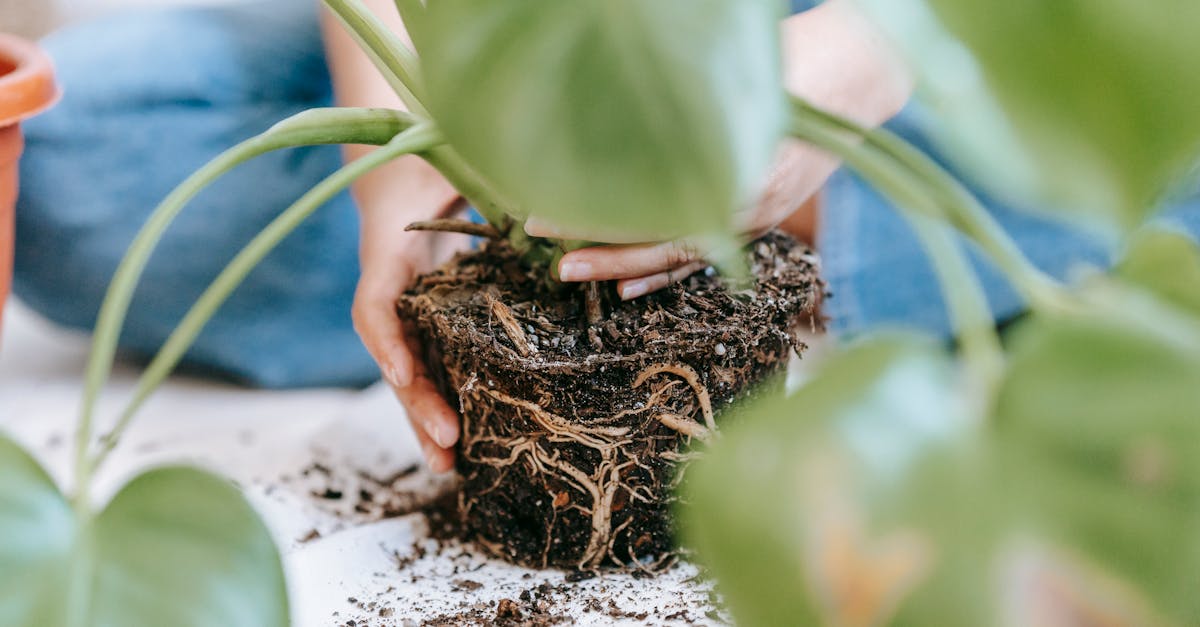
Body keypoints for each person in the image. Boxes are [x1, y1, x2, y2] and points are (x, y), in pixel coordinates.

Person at [14, 0, 1198, 473]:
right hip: (516, 29)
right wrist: (403, 184)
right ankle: (595, 187)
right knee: (72, 161)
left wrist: (833, 77)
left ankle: (745, 208)